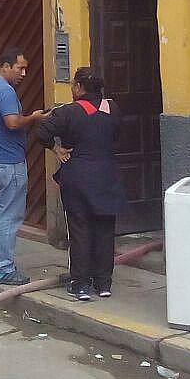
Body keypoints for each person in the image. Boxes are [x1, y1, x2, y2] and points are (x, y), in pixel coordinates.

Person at [36, 67, 128, 301]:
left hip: (77, 177)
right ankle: (103, 283)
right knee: (105, 230)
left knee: (80, 229)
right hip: (106, 175)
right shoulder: (112, 109)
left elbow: (42, 132)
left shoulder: (69, 112)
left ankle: (80, 284)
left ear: (78, 88)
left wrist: (57, 149)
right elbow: (118, 136)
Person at [0, 47, 46, 285]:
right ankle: (3, 268)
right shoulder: (5, 91)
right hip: (10, 162)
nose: (24, 73)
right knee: (9, 215)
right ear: (6, 66)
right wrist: (35, 118)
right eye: (20, 68)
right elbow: (13, 122)